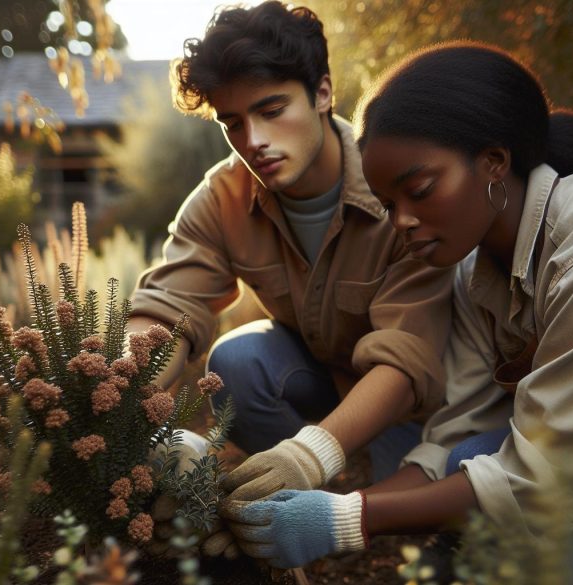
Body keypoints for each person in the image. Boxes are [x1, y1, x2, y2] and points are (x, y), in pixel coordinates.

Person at [221, 42, 573, 585]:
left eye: (420, 190)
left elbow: (556, 487)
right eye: (389, 205)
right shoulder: (475, 271)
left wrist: (347, 519)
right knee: (468, 458)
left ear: (494, 162)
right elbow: (459, 431)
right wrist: (306, 508)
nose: (402, 222)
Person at [128, 0, 453, 506]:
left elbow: (409, 360)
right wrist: (117, 386)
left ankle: (323, 473)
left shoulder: (399, 187)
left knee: (433, 546)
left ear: (322, 92)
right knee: (238, 360)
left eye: (272, 111)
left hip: (418, 406)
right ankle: (295, 508)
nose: (253, 141)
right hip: (324, 379)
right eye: (232, 123)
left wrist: (309, 454)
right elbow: (168, 306)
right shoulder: (222, 197)